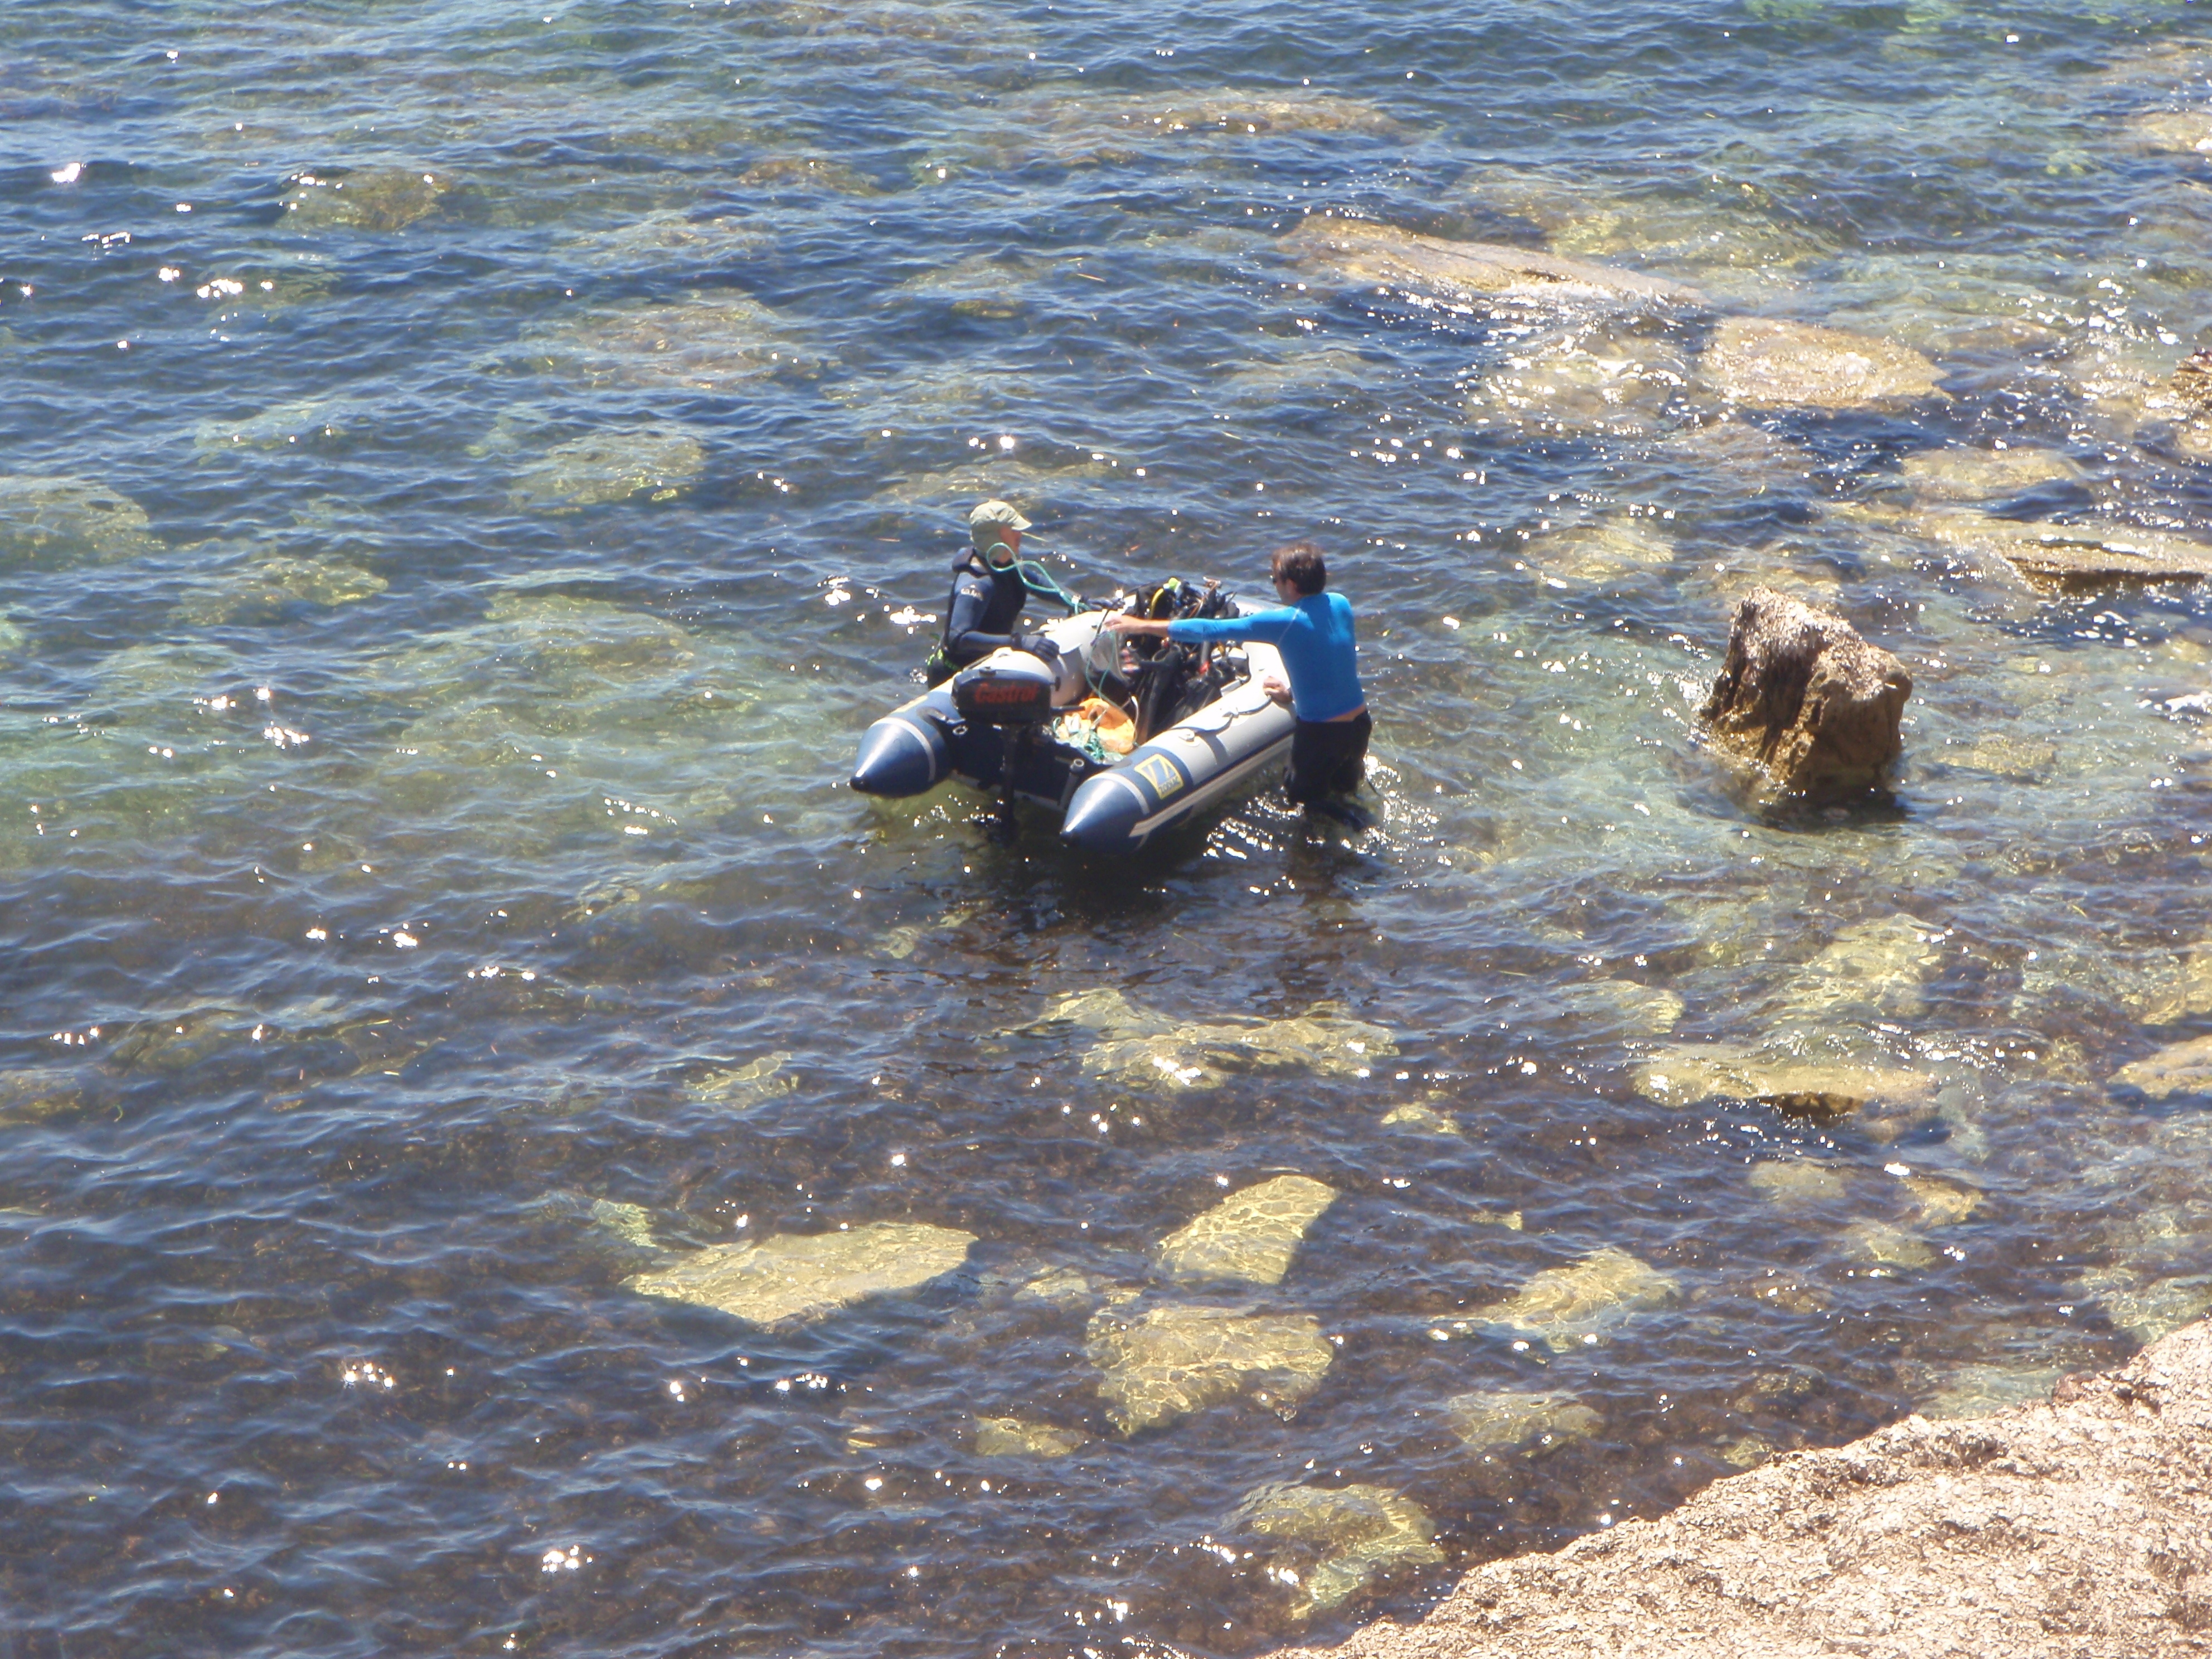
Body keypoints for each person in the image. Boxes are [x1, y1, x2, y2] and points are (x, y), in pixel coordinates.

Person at [1107, 541, 1370, 811]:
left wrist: (1141, 625)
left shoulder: (1285, 622)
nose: (1275, 586)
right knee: (1346, 798)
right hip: (1359, 725)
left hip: (1321, 736)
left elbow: (1209, 630)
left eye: (1275, 580)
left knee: (1306, 809)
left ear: (1291, 585)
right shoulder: (1340, 604)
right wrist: (1291, 694)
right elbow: (1329, 662)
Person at [926, 499, 1061, 682]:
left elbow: (1037, 583)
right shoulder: (977, 583)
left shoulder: (1005, 565)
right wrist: (1018, 642)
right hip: (955, 674)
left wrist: (1078, 601)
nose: (1020, 535)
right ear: (994, 538)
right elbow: (958, 638)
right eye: (1013, 530)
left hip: (987, 663)